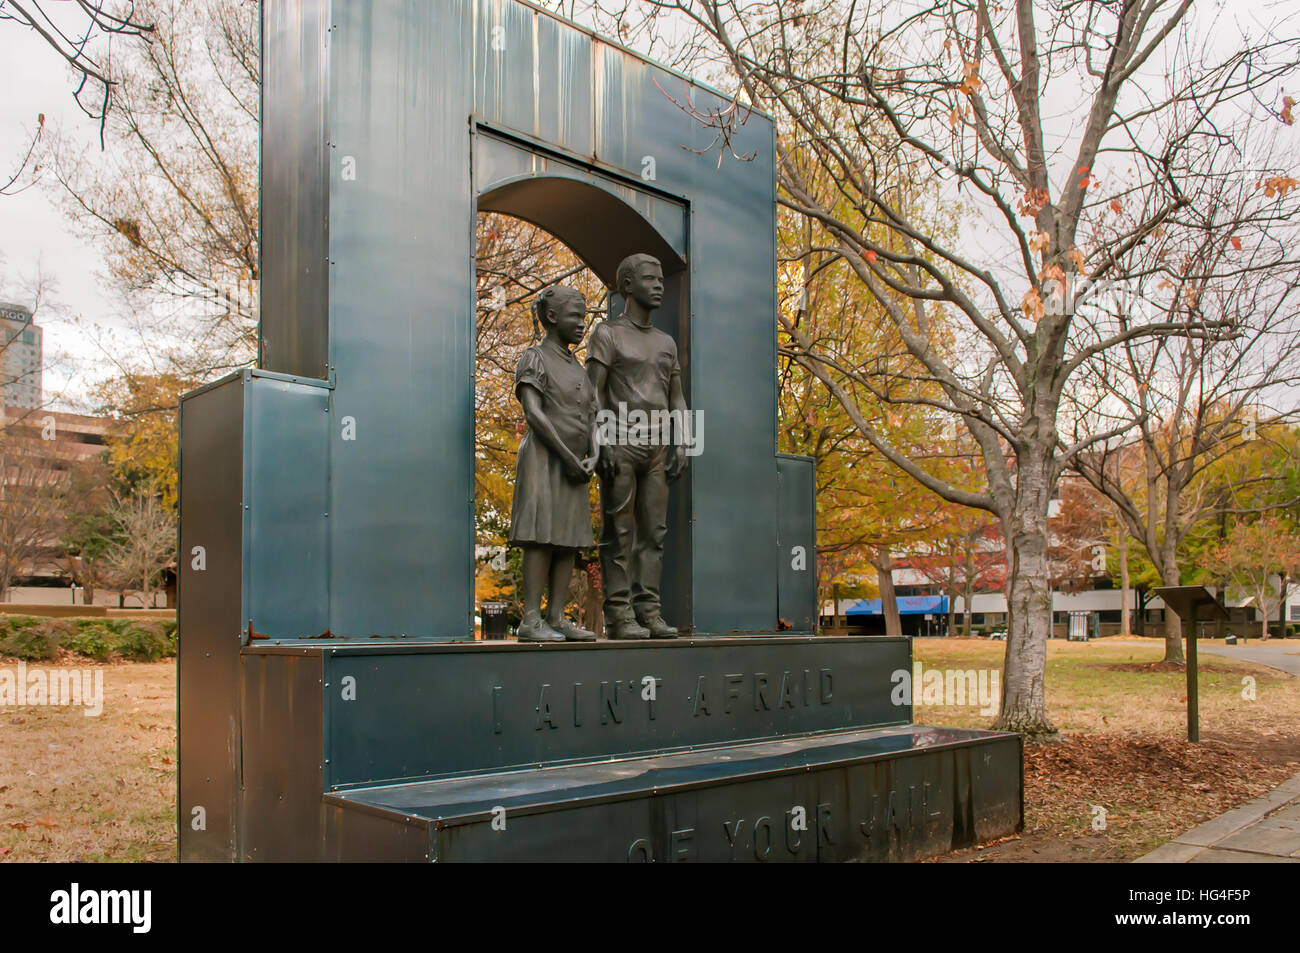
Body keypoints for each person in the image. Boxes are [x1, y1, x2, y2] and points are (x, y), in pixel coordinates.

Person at [587, 253, 690, 640]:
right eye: (650, 279)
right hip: (621, 441)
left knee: (655, 533)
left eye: (661, 278)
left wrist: (684, 442)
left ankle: (649, 609)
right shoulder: (607, 333)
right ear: (627, 286)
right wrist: (604, 440)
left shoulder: (666, 342)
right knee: (620, 531)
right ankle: (619, 613)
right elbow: (591, 391)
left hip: (657, 446)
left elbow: (676, 397)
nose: (660, 285)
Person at [509, 286, 599, 643]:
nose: (582, 323)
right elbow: (533, 413)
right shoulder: (534, 358)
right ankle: (531, 619)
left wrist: (594, 455)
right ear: (551, 317)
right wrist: (566, 455)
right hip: (545, 459)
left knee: (568, 539)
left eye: (584, 316)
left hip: (575, 464)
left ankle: (557, 617)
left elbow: (592, 418)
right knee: (540, 536)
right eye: (575, 316)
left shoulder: (579, 369)